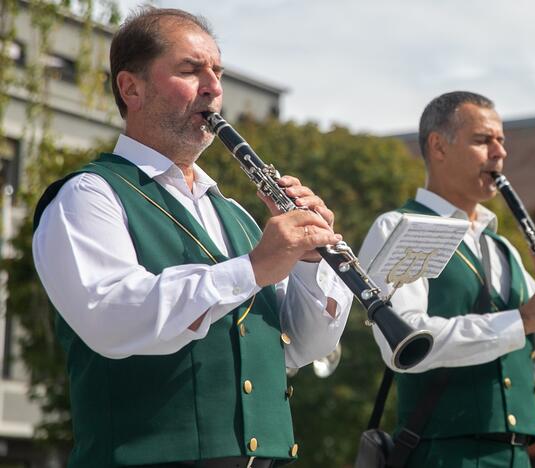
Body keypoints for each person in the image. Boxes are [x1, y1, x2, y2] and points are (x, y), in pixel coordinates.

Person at [32, 8, 352, 468]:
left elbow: (305, 346)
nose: (213, 87)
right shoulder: (89, 194)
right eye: (190, 69)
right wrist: (253, 268)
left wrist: (308, 262)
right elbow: (110, 315)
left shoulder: (238, 215)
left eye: (217, 72)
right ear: (131, 88)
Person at [358, 91, 535, 467]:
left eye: (502, 141)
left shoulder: (504, 248)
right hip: (445, 455)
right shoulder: (400, 226)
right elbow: (402, 343)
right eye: (483, 140)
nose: (500, 153)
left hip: (518, 455)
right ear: (438, 147)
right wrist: (523, 319)